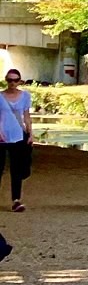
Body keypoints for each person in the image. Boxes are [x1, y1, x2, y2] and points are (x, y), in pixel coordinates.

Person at [0, 69, 30, 212]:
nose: (12, 83)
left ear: (19, 81)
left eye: (15, 80)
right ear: (6, 80)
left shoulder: (25, 96)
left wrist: (30, 132)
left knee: (17, 169)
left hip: (18, 135)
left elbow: (26, 115)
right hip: (1, 136)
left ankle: (16, 200)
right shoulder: (0, 96)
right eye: (10, 80)